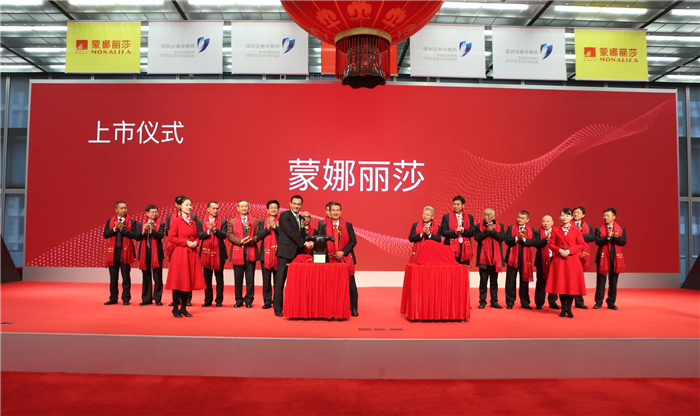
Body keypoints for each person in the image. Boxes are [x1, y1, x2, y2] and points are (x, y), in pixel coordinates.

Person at [273, 195, 314, 317]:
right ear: (290, 204)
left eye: (299, 204)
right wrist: (305, 243)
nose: (296, 206)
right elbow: (290, 233)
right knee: (280, 281)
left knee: (296, 283)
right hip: (285, 253)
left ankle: (294, 307)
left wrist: (310, 241)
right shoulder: (285, 215)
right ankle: (278, 308)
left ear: (301, 205)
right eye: (294, 203)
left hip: (297, 254)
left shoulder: (301, 218)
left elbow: (302, 235)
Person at [165, 197, 205, 318]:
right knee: (179, 281)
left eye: (190, 205)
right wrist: (186, 242)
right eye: (186, 205)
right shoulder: (176, 221)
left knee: (188, 281)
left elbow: (196, 236)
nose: (189, 207)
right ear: (180, 207)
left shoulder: (192, 222)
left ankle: (183, 308)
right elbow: (171, 238)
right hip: (180, 254)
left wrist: (196, 242)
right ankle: (175, 309)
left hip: (191, 254)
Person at [317, 202, 359, 316]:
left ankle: (354, 309)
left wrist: (343, 252)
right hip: (330, 259)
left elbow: (353, 241)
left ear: (341, 212)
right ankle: (332, 308)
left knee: (351, 285)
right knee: (331, 285)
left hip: (345, 258)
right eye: (333, 210)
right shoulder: (324, 226)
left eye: (337, 210)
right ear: (329, 212)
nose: (335, 212)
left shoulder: (348, 225)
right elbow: (321, 241)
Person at [546, 208, 586, 318]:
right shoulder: (555, 230)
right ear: (559, 217)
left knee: (571, 284)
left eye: (567, 216)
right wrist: (559, 250)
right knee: (561, 284)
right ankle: (563, 308)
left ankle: (569, 308)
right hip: (559, 260)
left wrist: (570, 251)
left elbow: (581, 244)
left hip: (572, 260)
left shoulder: (576, 230)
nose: (565, 217)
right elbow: (551, 244)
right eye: (563, 215)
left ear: (571, 217)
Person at [103, 201, 137, 305]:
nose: (124, 210)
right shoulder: (110, 221)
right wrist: (114, 229)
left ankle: (126, 298)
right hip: (113, 252)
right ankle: (113, 298)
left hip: (125, 252)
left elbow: (134, 235)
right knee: (113, 277)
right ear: (116, 210)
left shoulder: (132, 221)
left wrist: (122, 229)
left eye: (125, 208)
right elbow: (106, 234)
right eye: (121, 208)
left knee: (126, 276)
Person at [227, 200, 259, 308]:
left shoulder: (255, 221)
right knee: (238, 279)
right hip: (238, 252)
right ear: (238, 208)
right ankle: (238, 300)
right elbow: (229, 235)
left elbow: (258, 235)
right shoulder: (232, 221)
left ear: (248, 208)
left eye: (246, 206)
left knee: (250, 279)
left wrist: (251, 240)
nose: (244, 208)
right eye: (242, 206)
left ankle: (249, 300)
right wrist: (240, 241)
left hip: (250, 252)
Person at [594, 208, 627, 310]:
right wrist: (607, 237)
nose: (605, 217)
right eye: (604, 215)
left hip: (615, 258)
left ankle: (611, 302)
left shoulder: (621, 229)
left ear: (614, 217)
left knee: (613, 282)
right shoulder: (599, 229)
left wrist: (617, 237)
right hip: (602, 258)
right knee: (600, 281)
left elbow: (623, 242)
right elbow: (597, 242)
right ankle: (598, 302)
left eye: (607, 215)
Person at [473, 208, 506, 309]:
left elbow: (502, 238)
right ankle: (482, 301)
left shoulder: (500, 226)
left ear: (494, 216)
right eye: (485, 214)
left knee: (494, 282)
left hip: (495, 259)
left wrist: (493, 231)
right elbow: (477, 238)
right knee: (483, 281)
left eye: (488, 215)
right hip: (483, 259)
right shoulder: (478, 226)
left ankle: (494, 301)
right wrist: (487, 230)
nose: (486, 217)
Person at [197, 201, 228, 308]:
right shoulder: (201, 222)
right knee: (207, 278)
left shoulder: (223, 221)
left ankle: (219, 300)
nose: (215, 210)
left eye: (217, 208)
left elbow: (224, 235)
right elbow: (199, 235)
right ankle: (208, 300)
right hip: (206, 254)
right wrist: (208, 232)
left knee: (219, 279)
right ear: (208, 209)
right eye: (213, 208)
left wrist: (215, 229)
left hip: (219, 254)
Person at [504, 210, 537, 309]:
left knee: (524, 281)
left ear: (527, 220)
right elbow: (507, 241)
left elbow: (534, 242)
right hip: (512, 258)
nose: (520, 220)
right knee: (510, 281)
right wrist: (516, 238)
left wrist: (524, 240)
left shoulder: (531, 230)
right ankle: (510, 302)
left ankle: (525, 302)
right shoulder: (511, 228)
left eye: (522, 218)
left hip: (525, 259)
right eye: (519, 217)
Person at [134, 204, 165, 306]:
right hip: (145, 253)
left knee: (157, 277)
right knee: (146, 276)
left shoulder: (161, 224)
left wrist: (151, 230)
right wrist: (143, 231)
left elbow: (160, 236)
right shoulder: (141, 224)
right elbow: (137, 237)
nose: (154, 214)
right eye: (152, 212)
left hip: (157, 253)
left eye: (156, 212)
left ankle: (157, 299)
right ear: (147, 213)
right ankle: (146, 299)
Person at [257, 199, 280, 310]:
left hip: (278, 254)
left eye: (275, 208)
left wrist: (275, 227)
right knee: (266, 280)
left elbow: (285, 235)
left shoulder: (282, 222)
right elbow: (258, 236)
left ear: (278, 210)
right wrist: (268, 228)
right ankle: (267, 301)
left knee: (278, 280)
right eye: (271, 208)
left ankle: (277, 301)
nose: (273, 210)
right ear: (267, 210)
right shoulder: (262, 222)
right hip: (265, 255)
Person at [533, 215, 560, 310]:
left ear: (552, 222)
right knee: (541, 282)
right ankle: (539, 303)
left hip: (554, 259)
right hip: (542, 260)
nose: (546, 223)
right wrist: (546, 239)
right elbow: (536, 245)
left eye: (548, 221)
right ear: (541, 222)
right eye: (544, 221)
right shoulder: (537, 232)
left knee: (554, 281)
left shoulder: (557, 232)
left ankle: (552, 302)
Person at [440, 195, 475, 265]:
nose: (455, 206)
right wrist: (455, 232)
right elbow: (443, 232)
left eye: (458, 204)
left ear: (463, 205)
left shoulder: (469, 217)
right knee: (451, 269)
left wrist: (463, 231)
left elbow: (472, 232)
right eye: (454, 204)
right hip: (451, 247)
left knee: (464, 269)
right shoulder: (446, 217)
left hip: (464, 248)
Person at [572, 206, 595, 309]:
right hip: (571, 254)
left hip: (582, 255)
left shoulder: (588, 226)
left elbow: (592, 237)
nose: (575, 214)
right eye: (574, 212)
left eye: (578, 212)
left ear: (583, 215)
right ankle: (566, 302)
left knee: (578, 278)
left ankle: (579, 302)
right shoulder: (567, 224)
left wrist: (578, 235)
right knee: (569, 278)